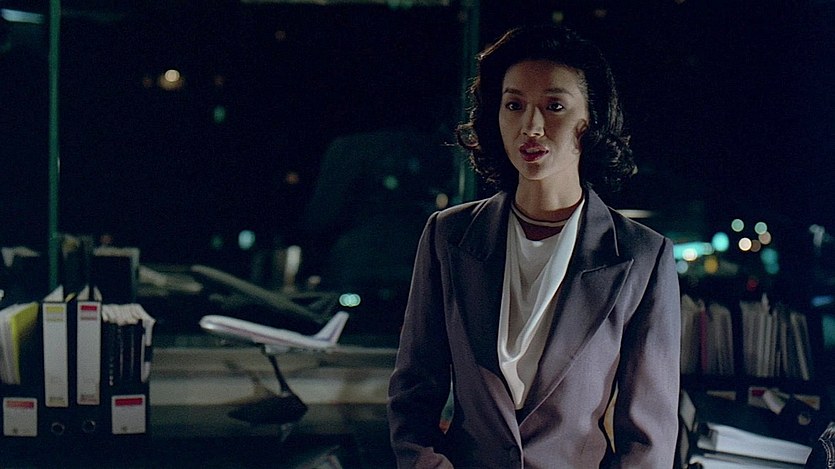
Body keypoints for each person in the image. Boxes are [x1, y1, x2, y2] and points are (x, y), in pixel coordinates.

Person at [387, 24, 681, 468]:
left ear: (590, 120)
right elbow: (413, 393)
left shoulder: (641, 256)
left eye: (554, 106)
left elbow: (648, 439)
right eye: (514, 105)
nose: (531, 126)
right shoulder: (449, 235)